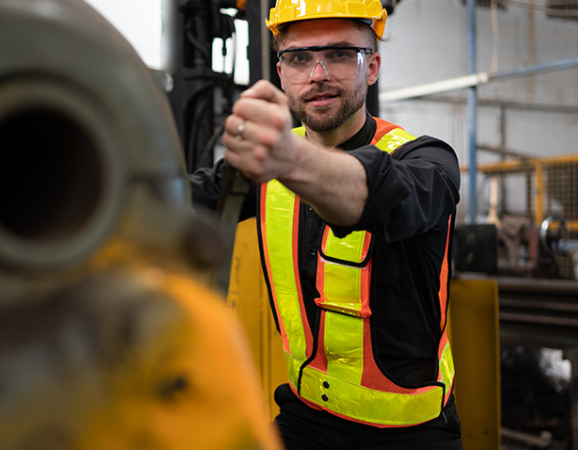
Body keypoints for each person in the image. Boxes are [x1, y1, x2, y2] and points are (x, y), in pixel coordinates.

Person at [190, 0, 463, 448]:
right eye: (299, 58)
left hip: (413, 434)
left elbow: (376, 195)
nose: (318, 74)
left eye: (339, 54)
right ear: (281, 73)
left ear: (371, 67)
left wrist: (287, 158)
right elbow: (172, 199)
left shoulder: (428, 160)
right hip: (304, 419)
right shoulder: (267, 160)